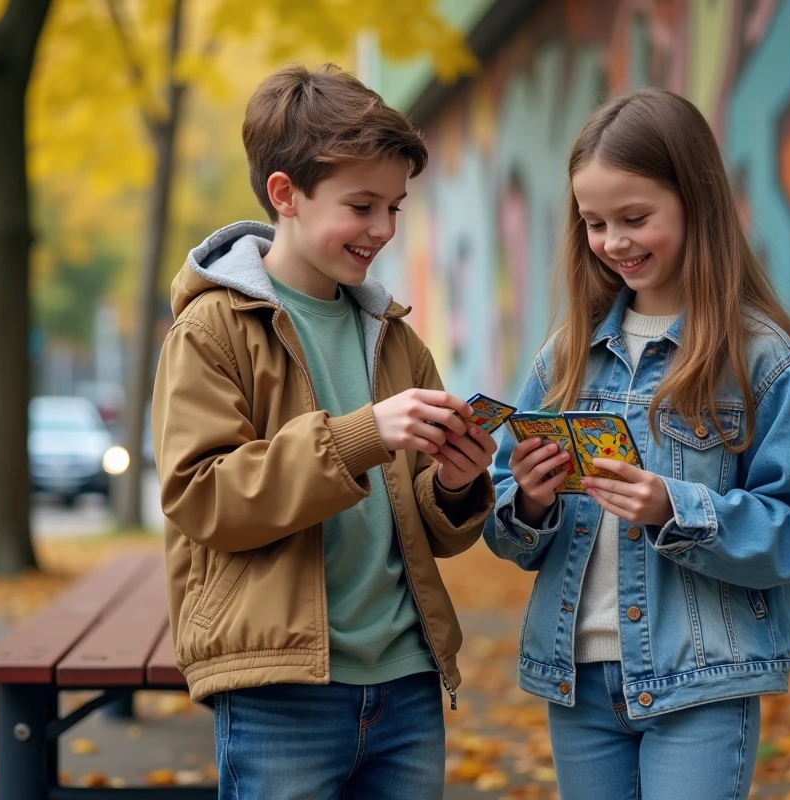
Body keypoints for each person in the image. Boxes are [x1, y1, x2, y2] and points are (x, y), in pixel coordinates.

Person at [482, 88, 790, 799]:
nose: (613, 241)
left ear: (695, 202)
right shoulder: (563, 359)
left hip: (702, 685)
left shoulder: (759, 358)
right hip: (578, 683)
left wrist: (674, 508)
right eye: (594, 223)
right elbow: (509, 530)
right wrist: (528, 501)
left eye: (635, 218)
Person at [151, 64, 497, 800]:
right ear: (286, 195)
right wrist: (360, 435)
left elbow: (429, 528)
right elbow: (203, 497)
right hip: (281, 690)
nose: (383, 229)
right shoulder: (211, 329)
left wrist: (456, 483)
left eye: (394, 207)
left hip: (407, 679)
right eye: (362, 205)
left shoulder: (395, 338)